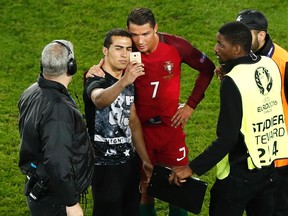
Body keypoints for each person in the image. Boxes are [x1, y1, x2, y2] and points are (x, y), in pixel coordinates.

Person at [86, 8, 216, 216]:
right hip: (140, 131)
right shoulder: (128, 53)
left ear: (155, 28)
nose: (139, 41)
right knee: (145, 188)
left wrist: (191, 105)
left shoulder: (176, 46)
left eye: (145, 34)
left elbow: (207, 68)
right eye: (134, 34)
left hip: (170, 128)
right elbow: (107, 67)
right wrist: (94, 70)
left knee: (178, 183)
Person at [169, 21, 288, 216]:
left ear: (237, 48)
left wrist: (191, 168)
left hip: (240, 173)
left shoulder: (233, 82)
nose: (215, 48)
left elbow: (227, 138)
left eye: (221, 44)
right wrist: (229, 67)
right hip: (269, 170)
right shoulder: (269, 64)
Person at [18, 40, 95, 216]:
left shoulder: (32, 91)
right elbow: (57, 160)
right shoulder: (59, 110)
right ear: (71, 66)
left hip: (40, 184)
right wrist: (71, 203)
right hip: (55, 197)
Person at [83, 28, 153, 216]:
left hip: (129, 163)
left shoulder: (129, 80)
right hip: (104, 166)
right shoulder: (94, 79)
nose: (124, 55)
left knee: (131, 210)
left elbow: (133, 121)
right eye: (118, 48)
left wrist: (145, 159)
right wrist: (124, 81)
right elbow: (99, 100)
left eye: (129, 49)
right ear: (105, 51)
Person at [236, 10, 288, 216]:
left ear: (261, 35)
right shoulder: (244, 58)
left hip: (279, 158)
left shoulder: (283, 62)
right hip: (252, 154)